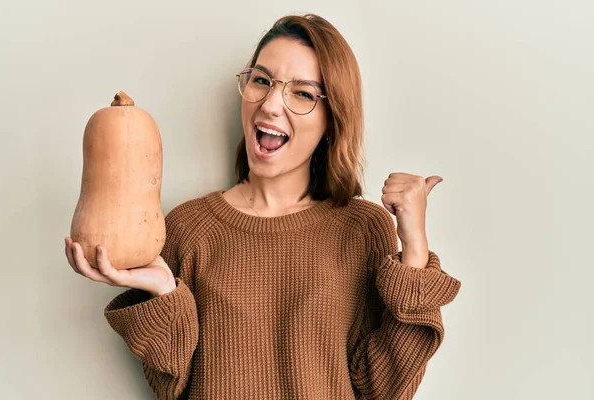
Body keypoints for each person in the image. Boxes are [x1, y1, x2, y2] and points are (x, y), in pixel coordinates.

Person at [64, 13, 461, 400]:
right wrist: (165, 294)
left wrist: (414, 249)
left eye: (302, 93)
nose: (271, 104)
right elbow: (172, 386)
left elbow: (383, 389)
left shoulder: (361, 228)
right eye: (262, 81)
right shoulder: (188, 227)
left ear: (332, 118)